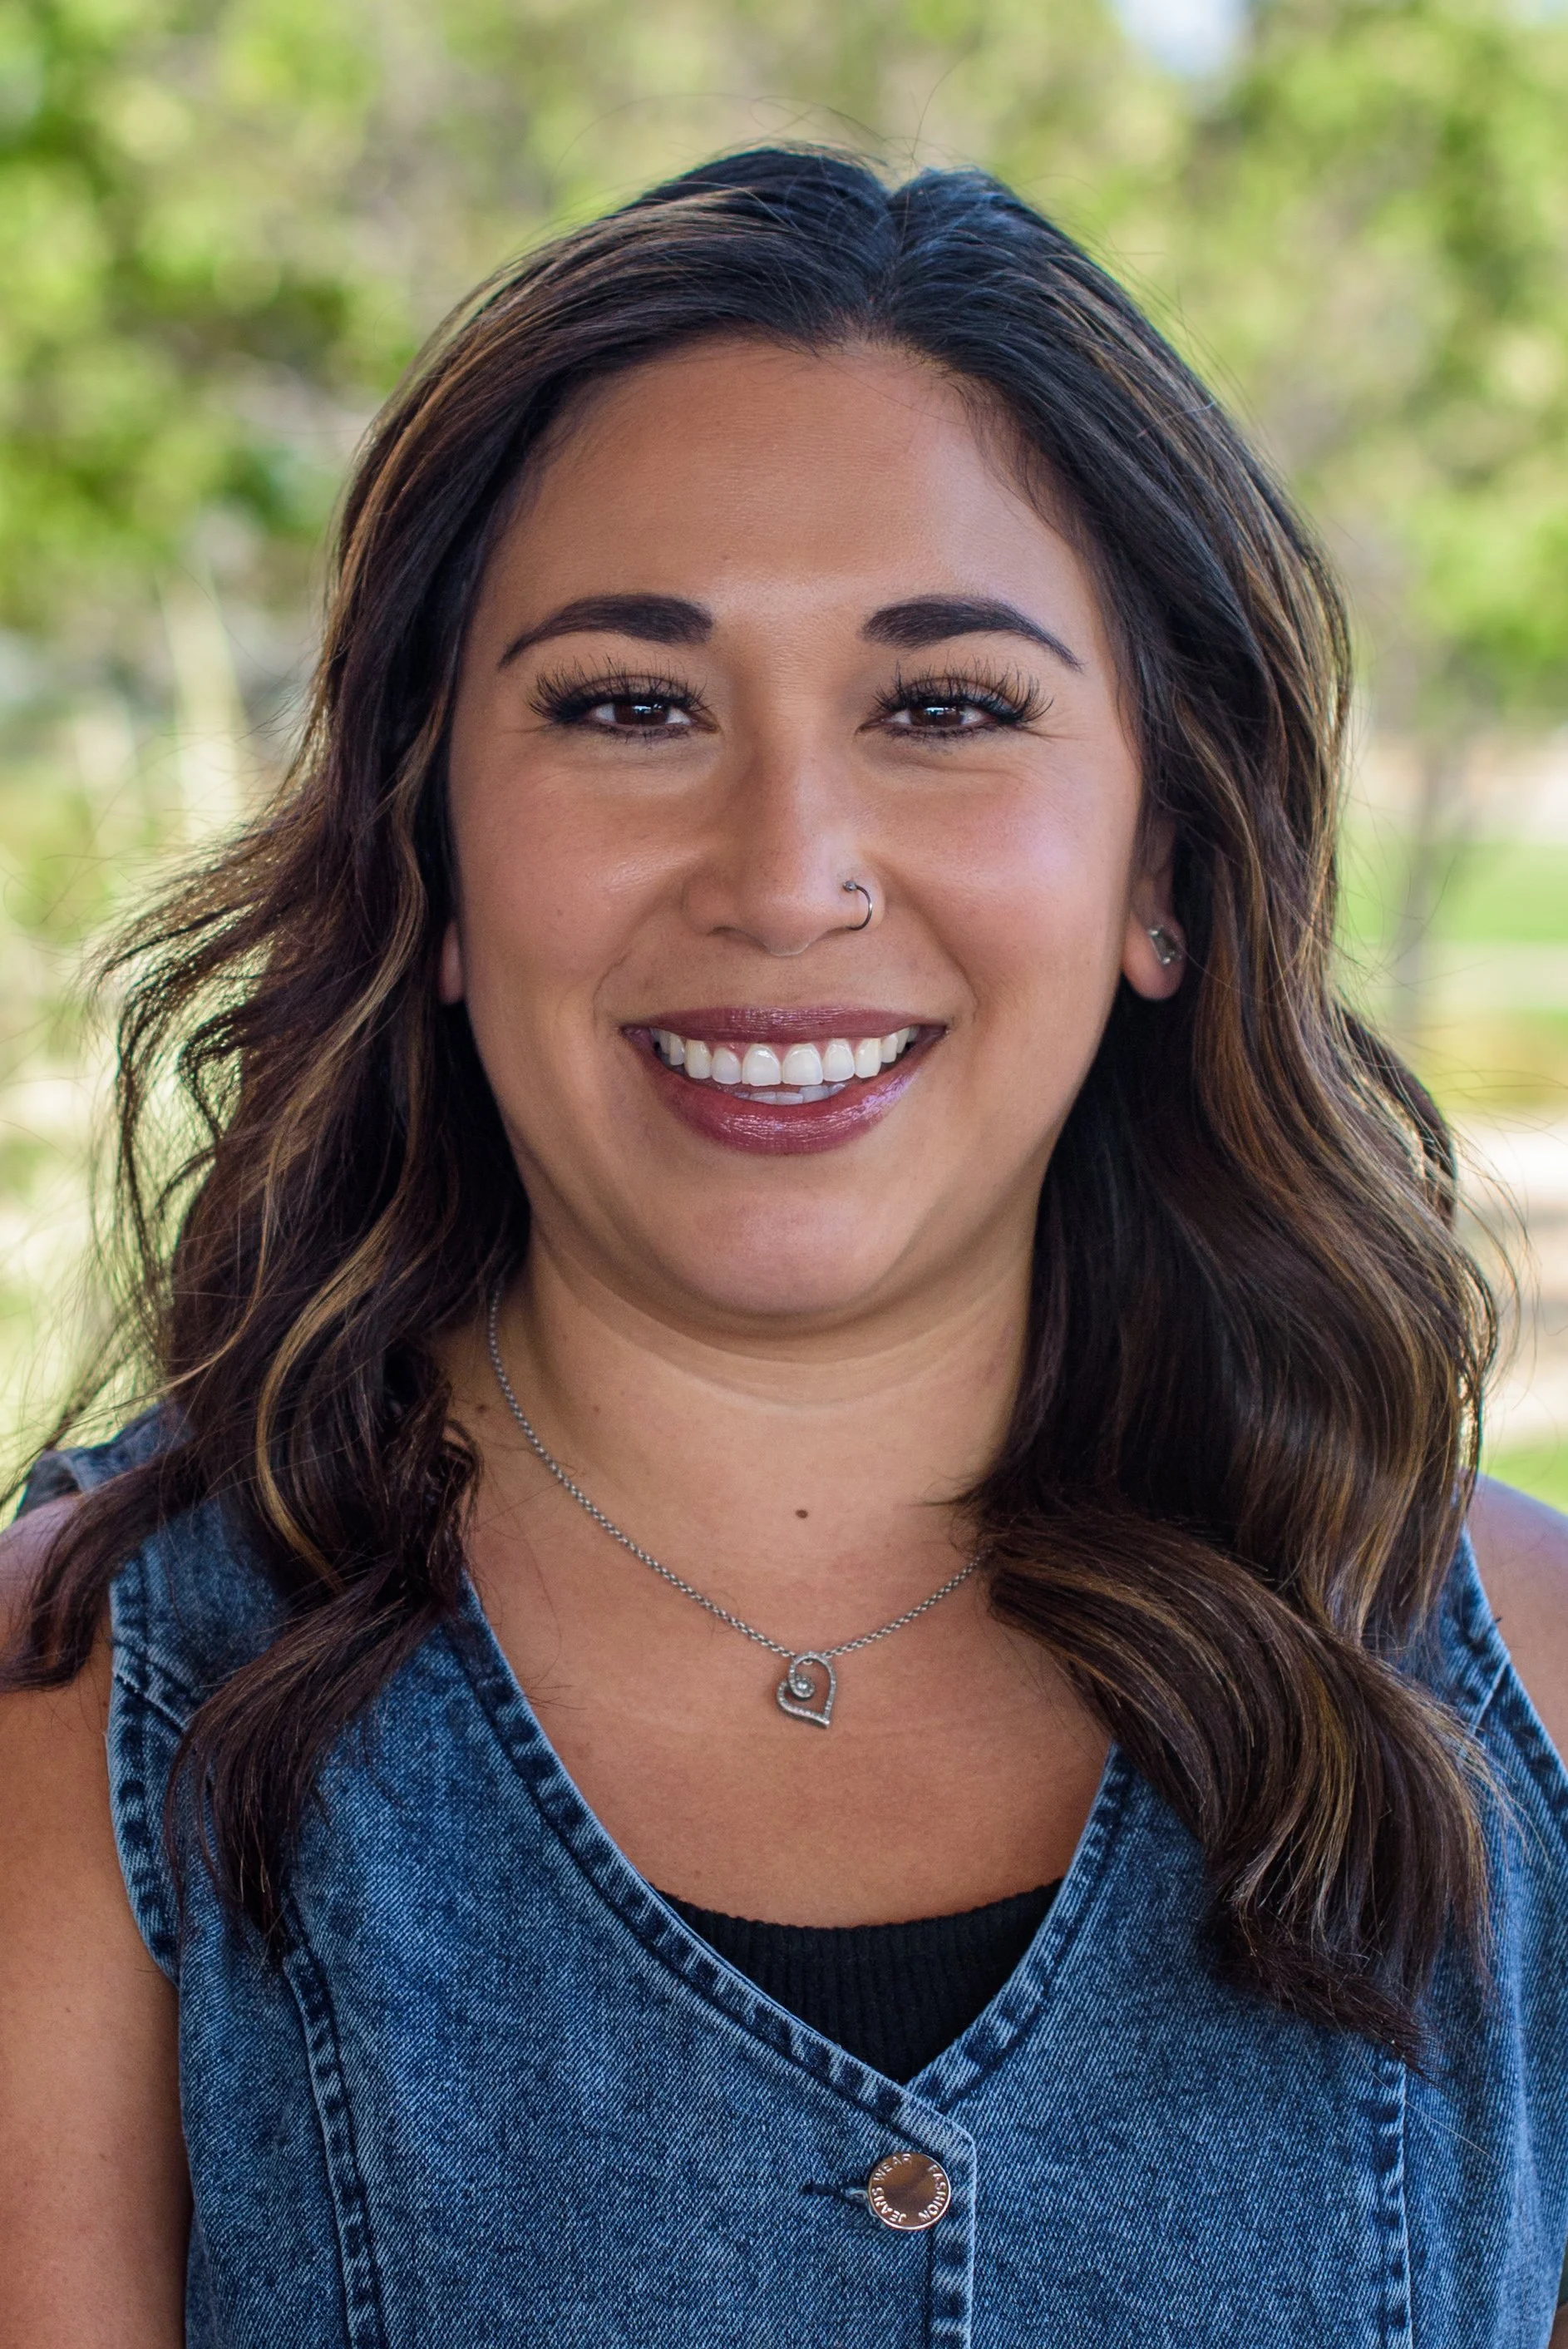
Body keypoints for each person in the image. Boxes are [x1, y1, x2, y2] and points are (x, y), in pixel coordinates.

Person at [2, 146, 1566, 2347]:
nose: (783, 870)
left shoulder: (1532, 1694)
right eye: (627, 705)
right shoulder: (70, 1721)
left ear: (1161, 868)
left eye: (944, 707)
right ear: (432, 850)